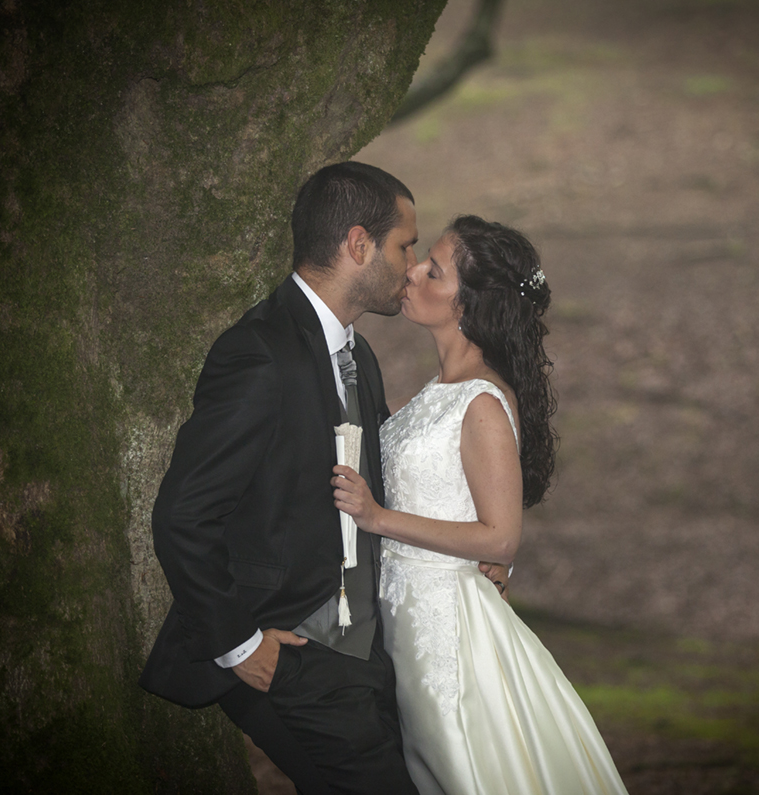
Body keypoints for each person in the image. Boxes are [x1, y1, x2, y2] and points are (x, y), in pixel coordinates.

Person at [139, 163, 507, 795]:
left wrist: (479, 546)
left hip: (371, 656)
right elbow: (183, 516)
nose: (411, 263)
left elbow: (391, 485)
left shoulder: (357, 355)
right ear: (358, 245)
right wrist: (241, 646)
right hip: (291, 652)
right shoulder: (259, 352)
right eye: (404, 246)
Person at [332, 215, 629, 794]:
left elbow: (500, 537)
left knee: (457, 763)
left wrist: (376, 516)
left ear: (465, 305)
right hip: (405, 616)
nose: (412, 271)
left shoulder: (483, 403)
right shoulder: (437, 391)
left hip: (446, 627)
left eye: (433, 270)